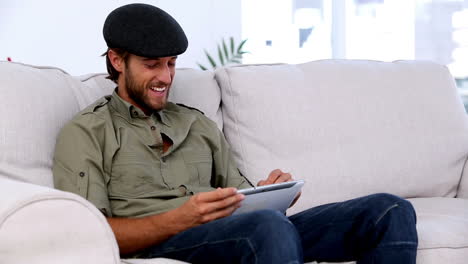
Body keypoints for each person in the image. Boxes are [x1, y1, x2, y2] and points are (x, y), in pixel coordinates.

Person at [53, 3, 418, 264]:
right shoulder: (87, 132)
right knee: (267, 229)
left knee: (389, 210)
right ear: (117, 61)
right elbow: (91, 232)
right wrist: (182, 218)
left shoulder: (195, 123)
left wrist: (271, 194)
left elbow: (241, 199)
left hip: (248, 231)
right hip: (168, 242)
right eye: (151, 65)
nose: (165, 77)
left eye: (171, 64)